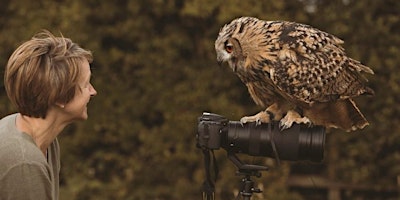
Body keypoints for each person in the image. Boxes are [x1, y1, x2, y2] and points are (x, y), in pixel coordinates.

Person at [0, 30, 97, 199]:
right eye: (86, 84)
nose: (93, 91)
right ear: (59, 96)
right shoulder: (24, 164)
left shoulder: (42, 141)